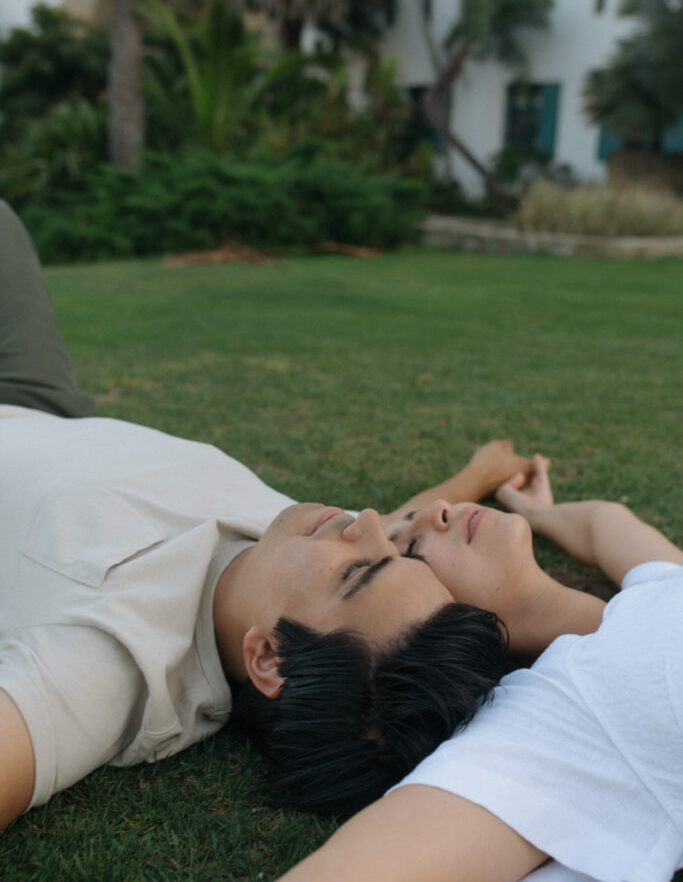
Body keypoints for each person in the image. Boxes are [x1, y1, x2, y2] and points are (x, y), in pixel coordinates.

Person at [0, 199, 530, 832]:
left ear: (271, 658)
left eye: (357, 573)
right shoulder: (291, 558)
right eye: (400, 552)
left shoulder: (114, 665)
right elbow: (385, 533)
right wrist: (481, 474)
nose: (366, 522)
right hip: (43, 403)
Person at [276, 457, 683, 882]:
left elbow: (604, 521)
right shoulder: (568, 712)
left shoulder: (653, 588)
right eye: (412, 549)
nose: (440, 509)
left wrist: (534, 511)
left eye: (417, 517)